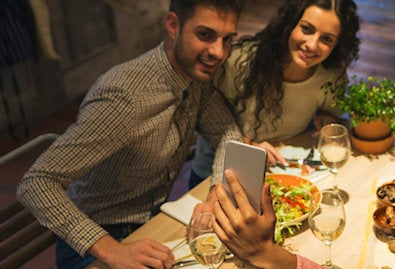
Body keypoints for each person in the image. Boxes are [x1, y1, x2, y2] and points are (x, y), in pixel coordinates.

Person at [16, 0, 248, 268]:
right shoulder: (124, 98)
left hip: (151, 224)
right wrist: (111, 250)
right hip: (96, 245)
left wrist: (215, 195)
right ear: (173, 25)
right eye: (205, 35)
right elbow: (36, 183)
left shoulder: (194, 76)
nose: (219, 52)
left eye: (228, 40)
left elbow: (228, 133)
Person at [188, 0, 360, 189]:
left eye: (327, 39)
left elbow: (333, 115)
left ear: (337, 44)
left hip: (281, 170)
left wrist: (326, 118)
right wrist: (248, 144)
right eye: (307, 29)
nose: (312, 45)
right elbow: (205, 120)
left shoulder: (331, 76)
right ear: (289, 24)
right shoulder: (240, 61)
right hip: (215, 174)